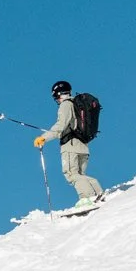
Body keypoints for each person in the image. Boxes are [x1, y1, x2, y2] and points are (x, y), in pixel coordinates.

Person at [32, 80, 103, 208]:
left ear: (58, 94)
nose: (57, 101)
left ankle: (87, 198)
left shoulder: (66, 105)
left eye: (56, 98)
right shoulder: (77, 104)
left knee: (71, 174)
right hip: (83, 146)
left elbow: (60, 125)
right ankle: (98, 193)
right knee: (80, 176)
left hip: (70, 145)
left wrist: (43, 138)